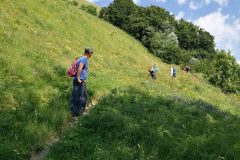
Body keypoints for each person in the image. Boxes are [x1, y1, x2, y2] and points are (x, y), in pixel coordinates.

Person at [70, 47, 93, 117]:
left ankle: (74, 113)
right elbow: (80, 67)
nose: (91, 55)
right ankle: (81, 112)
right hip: (80, 80)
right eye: (91, 53)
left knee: (75, 96)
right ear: (88, 53)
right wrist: (79, 78)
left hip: (76, 79)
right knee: (83, 96)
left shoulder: (80, 58)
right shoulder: (84, 59)